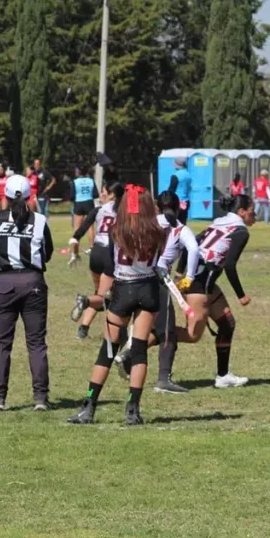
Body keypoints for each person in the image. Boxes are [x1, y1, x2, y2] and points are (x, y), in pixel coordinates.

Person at [68, 180, 166, 425]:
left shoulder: (117, 231)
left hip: (123, 290)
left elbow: (110, 268)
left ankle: (88, 407)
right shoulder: (157, 231)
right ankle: (133, 410)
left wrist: (103, 294)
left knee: (107, 351)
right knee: (140, 350)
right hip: (149, 289)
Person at [0, 174, 54, 411]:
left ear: (6, 195)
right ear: (31, 196)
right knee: (36, 343)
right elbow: (47, 252)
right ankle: (40, 398)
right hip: (33, 282)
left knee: (1, 343)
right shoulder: (40, 220)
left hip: (3, 283)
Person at [115, 192, 200, 395]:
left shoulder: (147, 223)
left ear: (157, 207)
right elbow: (194, 249)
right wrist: (189, 277)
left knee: (148, 326)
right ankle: (163, 379)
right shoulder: (180, 228)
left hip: (132, 278)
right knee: (168, 333)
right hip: (159, 282)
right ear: (178, 207)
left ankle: (126, 354)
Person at [172, 194, 255, 388]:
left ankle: (223, 376)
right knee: (192, 335)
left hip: (200, 280)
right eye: (253, 211)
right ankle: (141, 339)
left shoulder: (219, 222)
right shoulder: (240, 230)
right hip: (200, 284)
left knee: (227, 324)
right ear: (242, 212)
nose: (255, 215)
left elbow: (189, 246)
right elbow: (230, 265)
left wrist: (179, 273)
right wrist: (241, 295)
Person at [68, 181, 124, 339]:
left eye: (103, 192)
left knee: (99, 294)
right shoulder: (124, 211)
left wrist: (75, 244)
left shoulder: (99, 210)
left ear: (112, 194)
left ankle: (83, 329)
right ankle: (85, 302)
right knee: (105, 297)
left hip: (96, 253)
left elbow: (82, 229)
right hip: (111, 254)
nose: (101, 195)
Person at [70, 165, 98, 251]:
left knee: (77, 228)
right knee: (90, 227)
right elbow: (96, 195)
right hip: (89, 203)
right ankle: (91, 248)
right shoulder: (91, 180)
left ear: (78, 172)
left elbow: (71, 196)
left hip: (78, 204)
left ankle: (75, 251)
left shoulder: (75, 181)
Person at [167, 157, 192, 223]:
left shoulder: (175, 175)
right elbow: (189, 188)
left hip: (176, 202)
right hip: (186, 202)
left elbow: (171, 190)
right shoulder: (188, 175)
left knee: (173, 223)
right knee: (182, 223)